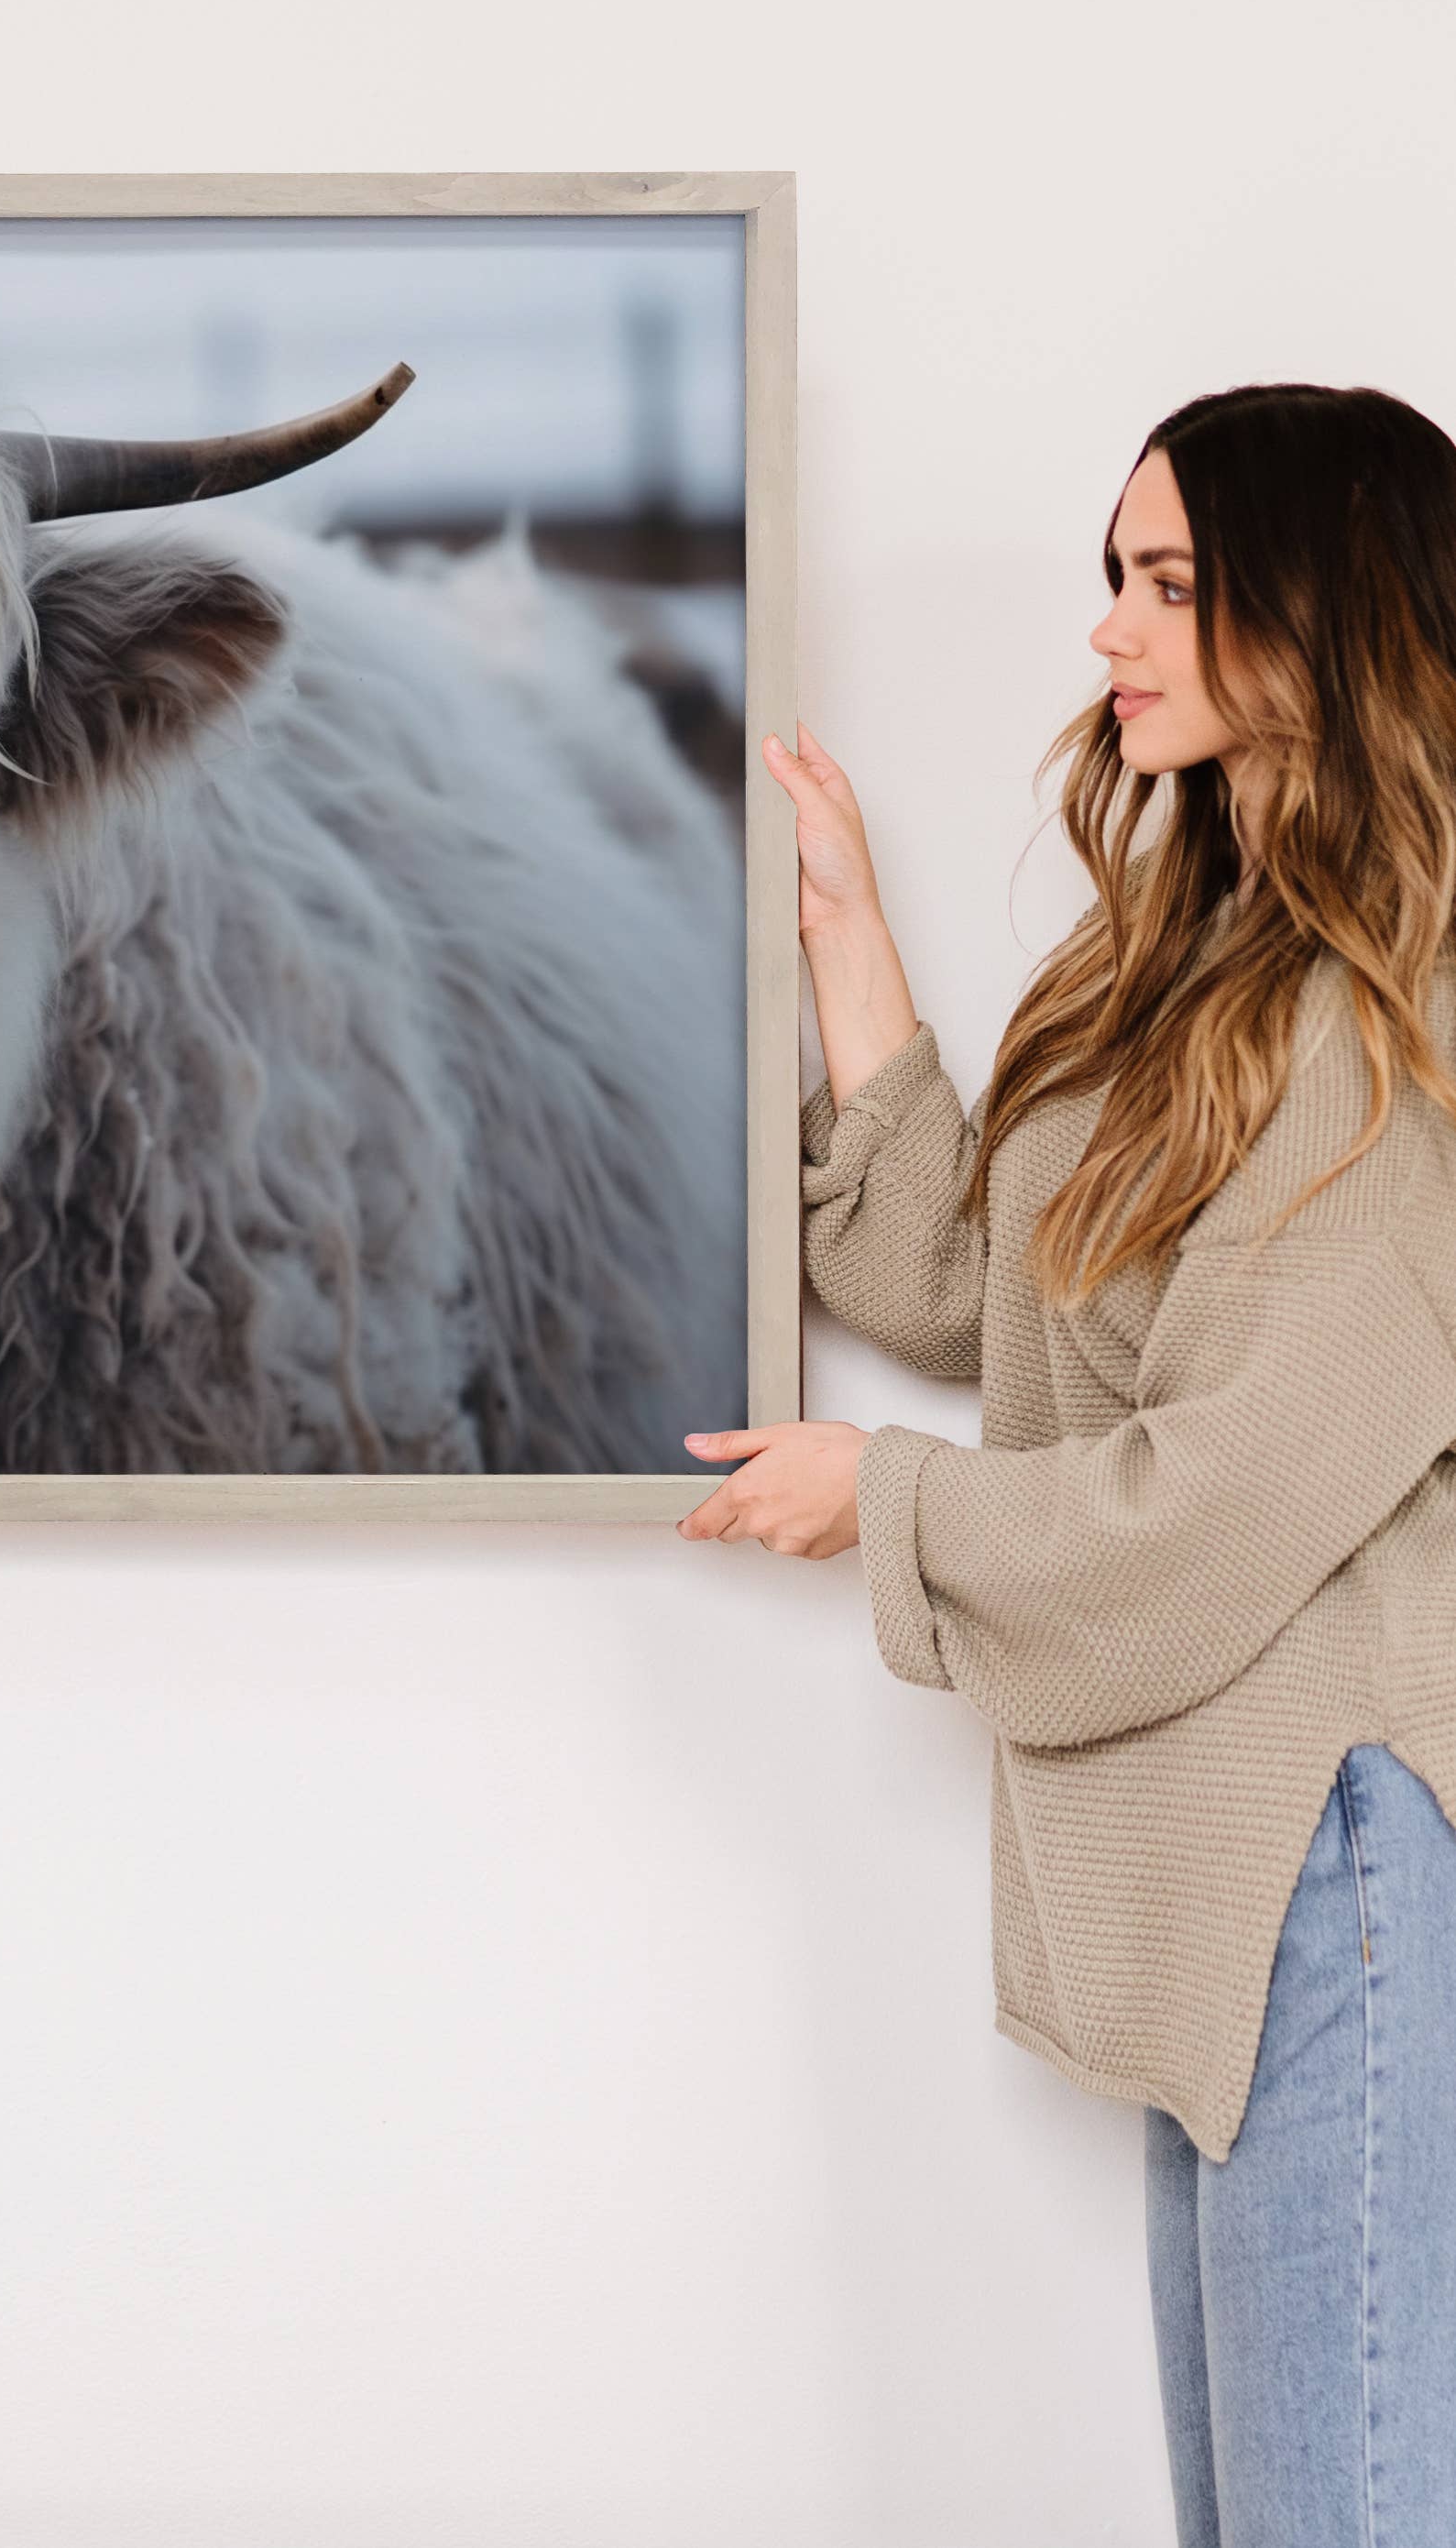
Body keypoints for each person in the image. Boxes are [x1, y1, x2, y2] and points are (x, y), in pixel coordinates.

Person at [681, 384, 1456, 2543]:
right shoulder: (1191, 961)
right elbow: (982, 1289)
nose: (1114, 633)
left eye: (1174, 586)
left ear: (1327, 615)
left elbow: (1225, 1497)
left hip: (1343, 1876)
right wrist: (845, 934)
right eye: (1115, 580)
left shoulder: (1410, 1023)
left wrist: (884, 1506)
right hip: (1229, 1884)